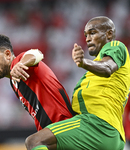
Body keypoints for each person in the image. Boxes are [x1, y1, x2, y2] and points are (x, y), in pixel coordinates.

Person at [24, 16, 130, 150]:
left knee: (34, 141)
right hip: (108, 133)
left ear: (109, 34)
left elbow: (108, 67)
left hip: (97, 125)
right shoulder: (93, 72)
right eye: (85, 35)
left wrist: (83, 62)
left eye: (92, 32)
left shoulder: (116, 46)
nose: (87, 38)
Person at [0, 34, 76, 133]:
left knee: (33, 142)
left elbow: (36, 54)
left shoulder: (19, 62)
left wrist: (22, 63)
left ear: (7, 54)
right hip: (51, 131)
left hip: (64, 125)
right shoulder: (14, 82)